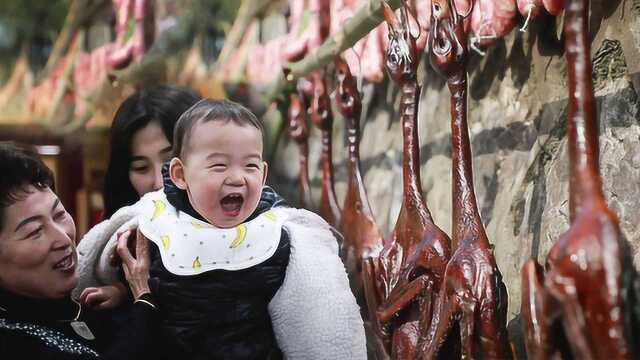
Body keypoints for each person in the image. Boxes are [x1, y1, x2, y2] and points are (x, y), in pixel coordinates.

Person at [77, 99, 367, 359]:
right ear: (180, 175)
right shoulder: (160, 219)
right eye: (218, 166)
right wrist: (121, 292)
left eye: (250, 166)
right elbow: (147, 276)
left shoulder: (276, 234)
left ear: (264, 174)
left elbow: (318, 312)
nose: (237, 178)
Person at [0, 142, 157, 359]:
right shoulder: (12, 344)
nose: (63, 238)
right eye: (35, 231)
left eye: (59, 215)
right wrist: (144, 298)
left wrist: (127, 294)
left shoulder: (89, 303)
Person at [81, 85, 202, 310]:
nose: (158, 181)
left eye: (170, 162)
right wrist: (125, 293)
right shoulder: (122, 241)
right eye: (141, 167)